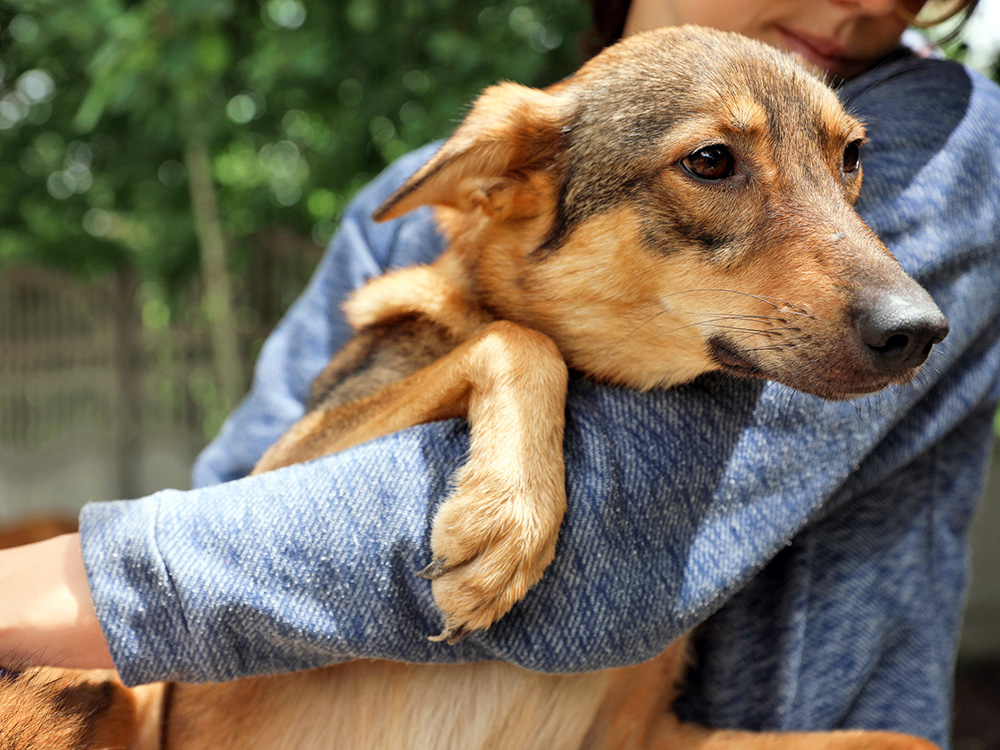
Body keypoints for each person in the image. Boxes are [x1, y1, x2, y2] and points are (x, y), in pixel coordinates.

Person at [1, 0, 997, 746]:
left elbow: (607, 561)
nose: (874, 3)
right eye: (713, 163)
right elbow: (247, 523)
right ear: (500, 188)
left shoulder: (952, 142)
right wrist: (500, 365)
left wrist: (92, 586)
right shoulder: (429, 205)